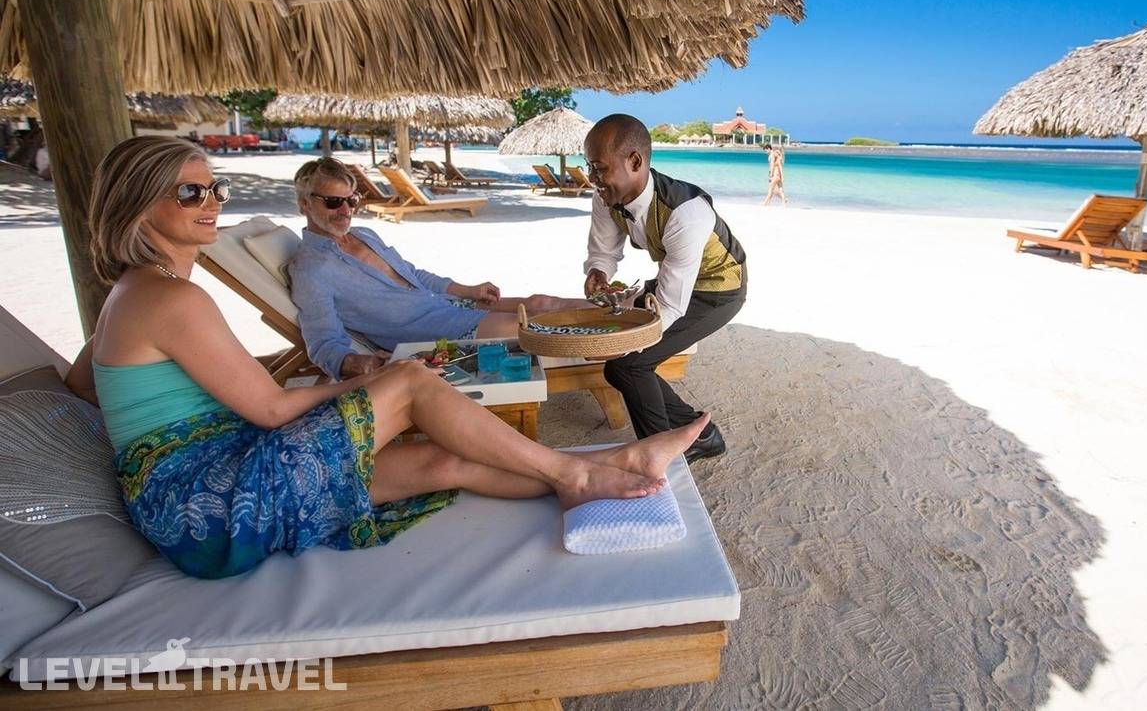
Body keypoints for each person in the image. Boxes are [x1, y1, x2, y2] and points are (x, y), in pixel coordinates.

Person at [63, 135, 707, 580]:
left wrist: (162, 425)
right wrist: (375, 380)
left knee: (444, 462)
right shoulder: (173, 299)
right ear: (136, 204)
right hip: (217, 506)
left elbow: (81, 382)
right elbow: (272, 408)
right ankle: (579, 476)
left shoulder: (131, 294)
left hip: (186, 508)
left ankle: (613, 462)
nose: (212, 205)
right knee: (410, 383)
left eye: (215, 189)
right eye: (189, 194)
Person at [287, 158, 588, 379]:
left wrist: (467, 290)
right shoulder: (310, 270)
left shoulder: (365, 235)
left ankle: (615, 312)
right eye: (333, 202)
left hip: (445, 304)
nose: (346, 211)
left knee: (541, 303)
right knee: (533, 327)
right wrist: (362, 364)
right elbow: (323, 343)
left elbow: (413, 275)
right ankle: (607, 345)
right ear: (304, 204)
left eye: (351, 200)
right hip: (434, 331)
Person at [582, 114, 747, 463]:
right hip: (677, 280)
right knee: (621, 365)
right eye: (589, 167)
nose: (592, 179)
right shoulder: (607, 195)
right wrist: (598, 272)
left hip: (718, 289)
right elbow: (604, 251)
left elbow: (670, 307)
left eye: (599, 168)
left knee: (628, 365)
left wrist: (620, 342)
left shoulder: (686, 213)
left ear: (635, 162)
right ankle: (700, 434)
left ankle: (659, 457)